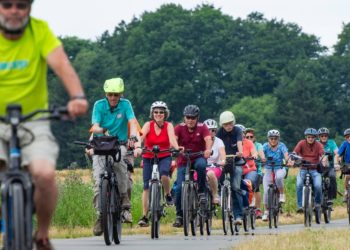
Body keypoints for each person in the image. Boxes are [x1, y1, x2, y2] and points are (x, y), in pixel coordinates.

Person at [0, 0, 88, 248]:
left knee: (45, 174)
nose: (14, 10)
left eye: (21, 5)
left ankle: (42, 233)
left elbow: (61, 64)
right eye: (7, 5)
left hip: (33, 122)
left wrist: (77, 97)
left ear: (29, 8)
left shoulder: (39, 31)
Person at [91, 77, 140, 235]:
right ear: (106, 94)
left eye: (116, 95)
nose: (113, 98)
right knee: (98, 180)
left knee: (120, 164)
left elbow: (132, 122)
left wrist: (133, 136)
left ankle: (124, 196)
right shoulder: (99, 105)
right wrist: (99, 130)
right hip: (101, 143)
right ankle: (101, 215)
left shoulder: (126, 105)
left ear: (121, 94)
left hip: (119, 143)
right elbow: (95, 124)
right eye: (110, 94)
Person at [135, 101, 181, 227]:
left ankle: (167, 194)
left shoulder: (168, 126)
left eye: (161, 112)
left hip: (164, 155)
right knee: (146, 186)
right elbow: (140, 136)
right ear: (152, 113)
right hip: (148, 156)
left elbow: (172, 139)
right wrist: (138, 146)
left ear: (165, 114)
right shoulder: (148, 125)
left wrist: (176, 148)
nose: (158, 114)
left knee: (164, 174)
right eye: (156, 112)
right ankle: (144, 216)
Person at [172, 105, 213, 227]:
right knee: (179, 188)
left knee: (201, 166)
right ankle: (179, 215)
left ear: (197, 118)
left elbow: (208, 139)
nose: (190, 120)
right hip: (183, 160)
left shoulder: (202, 127)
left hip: (198, 157)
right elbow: (174, 139)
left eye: (193, 118)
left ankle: (201, 192)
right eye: (188, 117)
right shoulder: (179, 127)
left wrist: (208, 150)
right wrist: (176, 148)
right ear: (184, 118)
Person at [216, 111, 244, 225]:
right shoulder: (219, 133)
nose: (228, 126)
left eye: (230, 123)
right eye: (226, 124)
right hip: (223, 162)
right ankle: (220, 196)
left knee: (235, 187)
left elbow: (239, 142)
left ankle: (238, 215)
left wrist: (240, 152)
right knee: (218, 181)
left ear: (233, 122)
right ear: (222, 125)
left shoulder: (238, 130)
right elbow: (216, 144)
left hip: (236, 162)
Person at [294, 128, 324, 213]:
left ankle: (318, 204)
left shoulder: (318, 145)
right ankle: (300, 206)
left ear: (315, 137)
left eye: (312, 137)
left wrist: (323, 160)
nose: (310, 139)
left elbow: (322, 154)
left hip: (315, 170)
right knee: (299, 184)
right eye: (309, 137)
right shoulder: (301, 143)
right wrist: (293, 156)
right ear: (306, 137)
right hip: (303, 168)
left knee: (318, 186)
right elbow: (295, 152)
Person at [261, 129, 289, 221]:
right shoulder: (265, 146)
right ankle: (266, 211)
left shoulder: (282, 146)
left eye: (275, 138)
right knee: (266, 191)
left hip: (279, 167)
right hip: (268, 169)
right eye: (271, 138)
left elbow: (286, 155)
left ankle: (281, 194)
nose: (273, 140)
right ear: (268, 139)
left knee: (279, 177)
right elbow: (260, 152)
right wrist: (263, 158)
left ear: (278, 139)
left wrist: (288, 161)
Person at [203, 118, 226, 204]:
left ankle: (215, 194)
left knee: (210, 174)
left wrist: (223, 160)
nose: (211, 132)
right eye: (208, 130)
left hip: (215, 166)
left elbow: (222, 153)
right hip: (202, 166)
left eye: (213, 130)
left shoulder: (219, 141)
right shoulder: (200, 141)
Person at [245, 127, 266, 219]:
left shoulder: (258, 145)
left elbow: (261, 154)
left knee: (256, 188)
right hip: (245, 169)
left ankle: (257, 209)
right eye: (247, 137)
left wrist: (262, 158)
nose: (249, 139)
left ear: (254, 138)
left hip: (257, 169)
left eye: (251, 137)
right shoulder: (243, 145)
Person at [317, 127, 339, 204]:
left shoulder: (332, 143)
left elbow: (337, 153)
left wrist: (336, 164)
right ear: (319, 137)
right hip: (318, 167)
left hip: (330, 166)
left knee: (332, 176)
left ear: (328, 136)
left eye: (325, 136)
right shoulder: (316, 143)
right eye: (322, 136)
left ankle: (331, 197)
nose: (324, 137)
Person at [338, 128, 350, 202]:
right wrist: (338, 160)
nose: (349, 138)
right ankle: (346, 191)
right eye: (347, 137)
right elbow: (338, 154)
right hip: (347, 164)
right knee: (347, 176)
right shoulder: (344, 144)